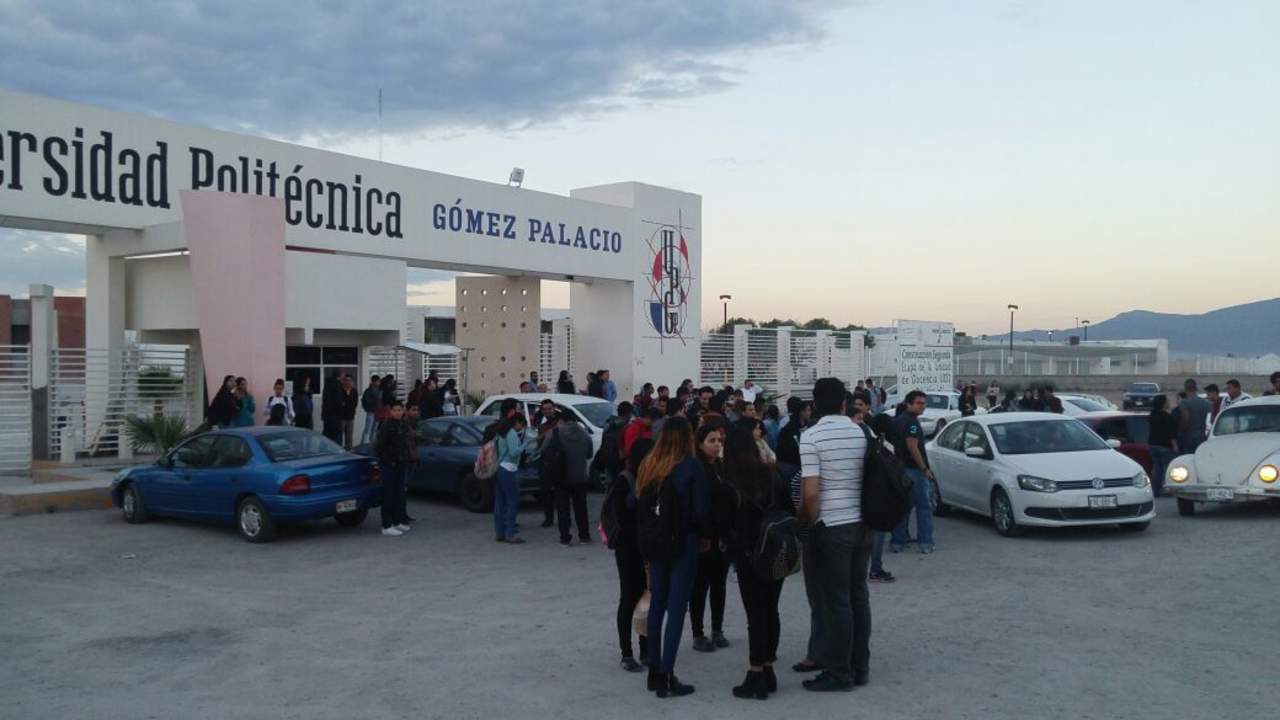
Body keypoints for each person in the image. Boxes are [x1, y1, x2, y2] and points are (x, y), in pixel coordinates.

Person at [797, 377, 873, 692]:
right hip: (862, 524)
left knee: (835, 601)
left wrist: (804, 522)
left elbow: (811, 493)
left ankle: (838, 672)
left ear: (815, 404)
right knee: (858, 596)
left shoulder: (811, 437)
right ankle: (860, 666)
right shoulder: (862, 432)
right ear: (844, 402)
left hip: (830, 525)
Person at [718, 424, 793, 699]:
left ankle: (756, 672)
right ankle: (768, 666)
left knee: (755, 614)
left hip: (749, 554)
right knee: (771, 609)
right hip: (776, 549)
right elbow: (790, 510)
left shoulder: (730, 484)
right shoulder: (773, 474)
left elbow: (724, 524)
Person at [638, 416, 706, 698]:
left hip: (655, 542)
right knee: (676, 609)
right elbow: (700, 511)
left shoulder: (649, 464)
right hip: (683, 542)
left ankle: (654, 671)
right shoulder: (691, 467)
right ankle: (667, 674)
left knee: (657, 604)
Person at [689, 419, 731, 653]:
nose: (717, 445)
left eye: (719, 441)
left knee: (719, 584)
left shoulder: (722, 467)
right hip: (703, 537)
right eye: (711, 441)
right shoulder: (696, 469)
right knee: (700, 585)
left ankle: (718, 629)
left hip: (722, 536)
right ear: (700, 443)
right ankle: (698, 633)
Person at [612, 438, 653, 672]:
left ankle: (645, 649)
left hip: (647, 549)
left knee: (647, 599)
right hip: (628, 550)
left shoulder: (652, 479)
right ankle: (626, 653)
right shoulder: (625, 480)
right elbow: (622, 518)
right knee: (629, 598)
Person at [890, 390, 935, 554]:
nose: (922, 406)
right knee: (923, 507)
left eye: (924, 403)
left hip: (899, 469)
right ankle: (925, 542)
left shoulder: (898, 420)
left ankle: (898, 542)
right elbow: (912, 446)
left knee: (903, 507)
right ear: (908, 404)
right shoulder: (912, 423)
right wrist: (924, 469)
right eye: (919, 403)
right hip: (914, 470)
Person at [548, 413, 593, 546]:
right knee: (581, 507)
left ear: (561, 420)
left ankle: (565, 538)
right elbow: (589, 454)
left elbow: (546, 450)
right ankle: (584, 536)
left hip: (561, 476)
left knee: (563, 509)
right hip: (580, 477)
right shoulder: (585, 434)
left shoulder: (555, 433)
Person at [375, 400, 413, 537]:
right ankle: (386, 525)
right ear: (390, 411)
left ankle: (397, 521)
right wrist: (388, 460)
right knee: (388, 495)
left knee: (399, 494)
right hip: (389, 465)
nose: (397, 412)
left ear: (403, 411)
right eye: (395, 410)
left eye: (399, 410)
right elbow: (379, 446)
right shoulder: (386, 426)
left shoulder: (403, 424)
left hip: (401, 464)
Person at [866, 413, 896, 584]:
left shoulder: (865, 442)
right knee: (878, 534)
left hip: (866, 494)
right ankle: (875, 569)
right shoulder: (886, 446)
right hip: (880, 496)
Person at [493, 413, 528, 544]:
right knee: (513, 502)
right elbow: (514, 452)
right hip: (509, 469)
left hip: (500, 468)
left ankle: (500, 533)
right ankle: (510, 534)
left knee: (499, 502)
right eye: (522, 425)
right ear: (517, 422)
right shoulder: (512, 433)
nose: (521, 428)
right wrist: (524, 444)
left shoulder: (500, 433)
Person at [534, 399, 560, 527]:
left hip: (559, 462)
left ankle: (562, 518)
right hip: (545, 462)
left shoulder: (560, 421)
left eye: (550, 408)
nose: (547, 411)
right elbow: (538, 443)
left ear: (554, 408)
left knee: (560, 492)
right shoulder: (542, 424)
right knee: (545, 492)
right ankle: (548, 518)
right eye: (545, 409)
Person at [1148, 395, 1179, 498]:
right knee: (1167, 468)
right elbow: (1172, 434)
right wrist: (1175, 446)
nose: (1169, 403)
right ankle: (1165, 489)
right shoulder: (1167, 417)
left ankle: (1155, 490)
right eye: (1167, 401)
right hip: (1165, 446)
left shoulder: (1152, 415)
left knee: (1156, 468)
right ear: (1164, 404)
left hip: (1153, 444)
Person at [775, 400, 811, 482]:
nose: (810, 413)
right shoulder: (790, 428)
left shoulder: (806, 426)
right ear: (802, 412)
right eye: (808, 410)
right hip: (790, 464)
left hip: (800, 463)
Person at [1175, 379, 1210, 453]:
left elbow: (1186, 419)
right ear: (1195, 389)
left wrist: (1181, 432)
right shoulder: (1205, 403)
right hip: (1202, 436)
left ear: (1185, 389)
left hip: (1189, 437)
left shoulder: (1184, 403)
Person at [360, 375, 381, 444]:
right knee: (368, 429)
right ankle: (363, 444)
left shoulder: (378, 390)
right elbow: (365, 401)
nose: (379, 383)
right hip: (371, 411)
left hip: (377, 412)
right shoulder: (368, 391)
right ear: (374, 381)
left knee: (374, 429)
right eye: (378, 381)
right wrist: (369, 408)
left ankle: (372, 444)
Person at [340, 374, 359, 450]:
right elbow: (340, 403)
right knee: (339, 436)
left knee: (349, 437)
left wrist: (348, 396)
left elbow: (354, 404)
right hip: (341, 417)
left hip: (350, 416)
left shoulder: (354, 391)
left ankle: (348, 451)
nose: (347, 382)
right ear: (343, 381)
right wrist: (347, 400)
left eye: (349, 380)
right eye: (346, 380)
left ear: (352, 381)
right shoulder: (340, 390)